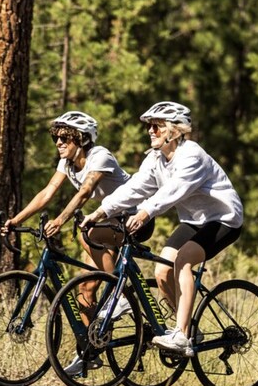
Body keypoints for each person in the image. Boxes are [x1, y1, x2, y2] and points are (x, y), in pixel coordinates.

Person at [81, 101, 243, 357]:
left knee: (183, 260)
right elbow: (134, 188)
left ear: (174, 131)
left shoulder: (192, 156)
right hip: (194, 221)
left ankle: (180, 334)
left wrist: (146, 212)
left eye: (157, 126)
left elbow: (173, 191)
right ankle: (188, 328)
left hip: (224, 218)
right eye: (150, 127)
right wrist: (102, 211)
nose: (150, 131)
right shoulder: (156, 158)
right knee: (162, 271)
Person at [1, 111, 139, 374]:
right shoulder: (66, 163)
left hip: (134, 218)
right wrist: (15, 220)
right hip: (106, 222)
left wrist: (61, 220)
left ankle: (118, 295)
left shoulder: (100, 156)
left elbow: (86, 191)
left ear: (82, 138)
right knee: (84, 292)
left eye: (65, 137)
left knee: (85, 231)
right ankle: (90, 350)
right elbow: (47, 192)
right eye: (56, 137)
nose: (58, 142)